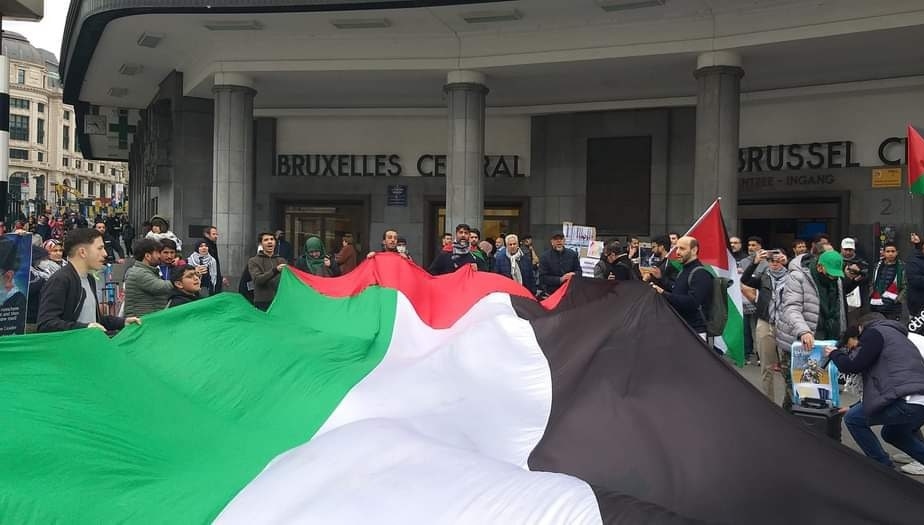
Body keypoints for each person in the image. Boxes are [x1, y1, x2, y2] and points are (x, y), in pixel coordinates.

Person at [827, 313, 924, 469]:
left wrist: (834, 353)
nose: (852, 348)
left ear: (860, 329)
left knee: (853, 419)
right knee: (893, 434)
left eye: (850, 344)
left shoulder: (874, 332)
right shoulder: (895, 336)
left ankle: (883, 469)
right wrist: (853, 406)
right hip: (917, 398)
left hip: (907, 399)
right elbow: (883, 385)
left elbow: (853, 365)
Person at [775, 250, 849, 411]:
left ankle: (793, 421)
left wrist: (842, 336)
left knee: (817, 391)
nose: (834, 277)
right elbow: (791, 308)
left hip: (824, 342)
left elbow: (840, 309)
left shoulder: (836, 280)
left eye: (836, 274)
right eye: (830, 274)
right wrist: (803, 331)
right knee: (798, 389)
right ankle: (793, 427)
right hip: (797, 341)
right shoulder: (798, 277)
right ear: (820, 267)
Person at [36, 228, 140, 333]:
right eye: (100, 248)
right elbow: (46, 324)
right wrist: (84, 328)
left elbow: (94, 320)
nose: (105, 253)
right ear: (82, 252)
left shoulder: (89, 278)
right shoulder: (60, 280)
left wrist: (122, 322)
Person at [741, 249, 789, 401]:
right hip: (765, 322)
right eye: (771, 260)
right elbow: (745, 279)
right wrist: (755, 262)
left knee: (787, 367)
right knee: (766, 367)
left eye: (777, 260)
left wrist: (789, 262)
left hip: (785, 325)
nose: (774, 263)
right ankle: (769, 402)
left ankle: (789, 403)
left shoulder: (793, 276)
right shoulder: (763, 277)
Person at [651, 236, 712, 338]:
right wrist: (661, 279)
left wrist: (663, 293)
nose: (677, 252)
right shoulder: (684, 271)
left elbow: (692, 302)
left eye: (682, 249)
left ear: (694, 250)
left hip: (695, 332)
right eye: (677, 248)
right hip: (682, 328)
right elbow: (676, 290)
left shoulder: (700, 273)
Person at [123, 238, 176, 317]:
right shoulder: (139, 273)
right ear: (147, 256)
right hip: (142, 321)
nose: (159, 256)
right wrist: (182, 281)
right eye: (157, 252)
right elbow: (161, 287)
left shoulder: (147, 271)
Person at [248, 232, 288, 311]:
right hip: (262, 302)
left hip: (280, 301)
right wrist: (275, 270)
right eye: (266, 240)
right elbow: (258, 280)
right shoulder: (253, 261)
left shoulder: (281, 260)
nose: (269, 241)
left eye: (272, 239)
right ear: (261, 244)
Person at [869, 241, 905, 322]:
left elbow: (905, 286)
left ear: (897, 252)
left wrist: (897, 300)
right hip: (876, 304)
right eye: (888, 251)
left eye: (893, 251)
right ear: (883, 252)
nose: (890, 254)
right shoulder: (877, 266)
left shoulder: (902, 267)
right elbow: (872, 283)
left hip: (893, 307)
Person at [200, 226, 229, 293]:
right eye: (213, 234)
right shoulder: (205, 246)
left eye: (216, 234)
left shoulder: (212, 245)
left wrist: (220, 278)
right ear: (206, 234)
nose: (216, 236)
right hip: (208, 280)